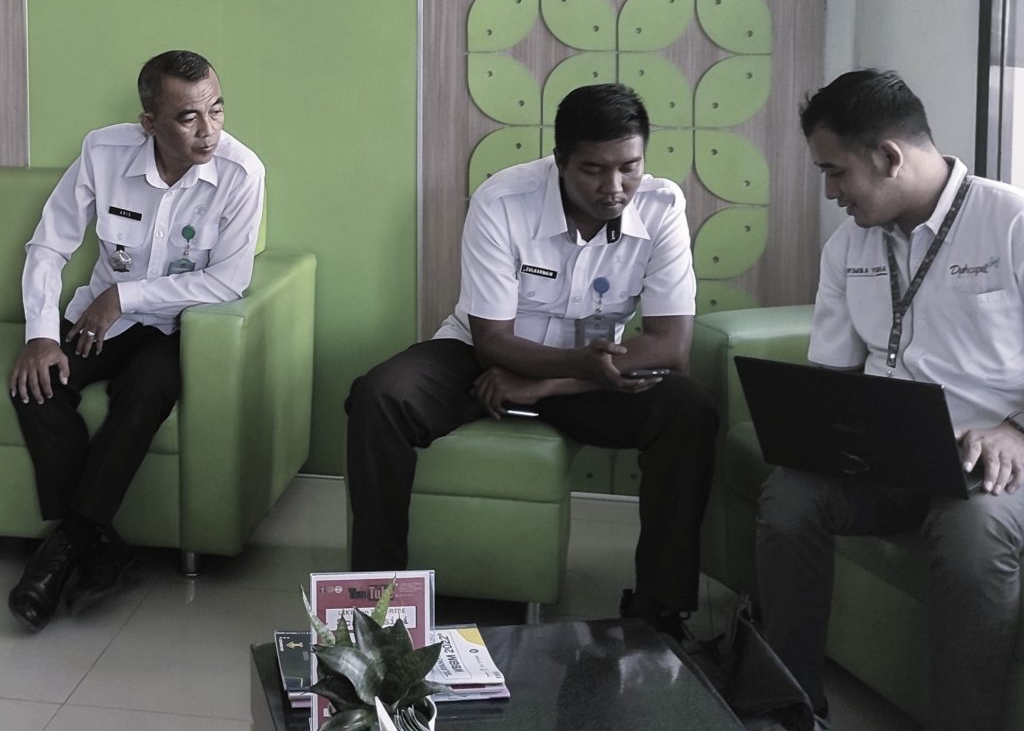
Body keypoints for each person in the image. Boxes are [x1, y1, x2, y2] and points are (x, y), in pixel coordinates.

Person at [345, 83, 718, 637]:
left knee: (689, 407)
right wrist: (571, 368)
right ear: (560, 160)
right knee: (381, 395)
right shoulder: (503, 200)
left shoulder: (662, 207)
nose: (614, 187)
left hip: (587, 370)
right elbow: (490, 340)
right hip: (483, 359)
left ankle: (659, 613)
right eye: (593, 170)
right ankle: (378, 608)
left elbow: (671, 345)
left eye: (629, 167)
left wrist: (553, 384)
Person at [756, 69, 1024, 730]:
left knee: (972, 538)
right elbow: (832, 374)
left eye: (835, 171)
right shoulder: (848, 245)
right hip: (886, 457)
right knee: (790, 497)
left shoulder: (1012, 223)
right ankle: (789, 706)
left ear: (888, 156)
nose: (830, 192)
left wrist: (1016, 429)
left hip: (990, 463)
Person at [7, 49, 266, 631]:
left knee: (146, 390)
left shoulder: (241, 173)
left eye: (216, 110)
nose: (209, 131)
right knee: (36, 385)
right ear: (149, 122)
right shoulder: (103, 152)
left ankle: (63, 551)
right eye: (188, 118)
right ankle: (99, 546)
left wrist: (126, 296)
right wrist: (42, 334)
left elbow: (228, 280)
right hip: (104, 322)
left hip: (177, 325)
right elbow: (50, 244)